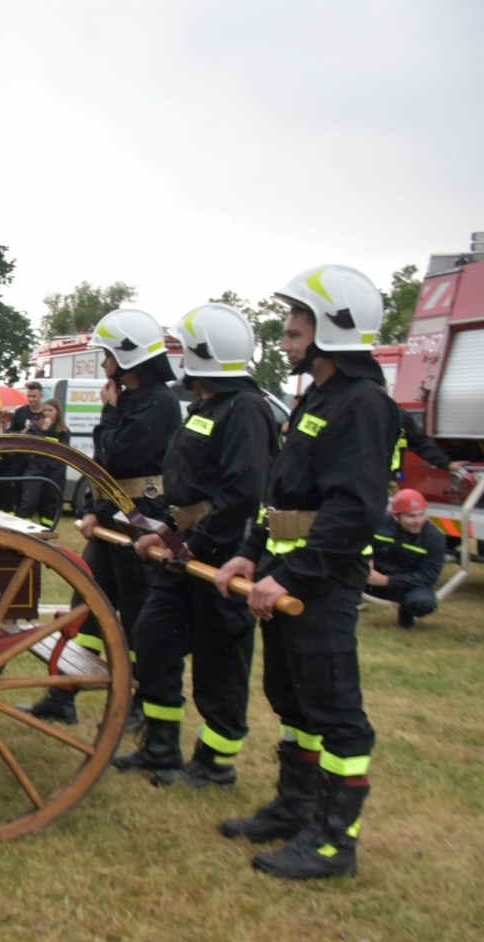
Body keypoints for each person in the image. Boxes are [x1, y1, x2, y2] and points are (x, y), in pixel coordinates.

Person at [212, 264, 401, 880]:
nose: (286, 341)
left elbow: (354, 510)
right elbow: (279, 493)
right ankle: (296, 808)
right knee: (292, 699)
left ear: (333, 331)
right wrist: (250, 551)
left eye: (296, 333)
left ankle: (333, 842)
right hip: (282, 570)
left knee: (335, 709)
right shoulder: (316, 398)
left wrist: (293, 577)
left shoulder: (363, 404)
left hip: (321, 582)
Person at [114, 303, 274, 786]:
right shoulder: (205, 407)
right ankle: (160, 746)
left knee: (219, 660)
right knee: (153, 639)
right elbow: (186, 489)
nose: (180, 359)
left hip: (222, 553)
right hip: (189, 551)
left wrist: (194, 544)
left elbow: (242, 493)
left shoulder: (245, 409)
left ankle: (214, 763)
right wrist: (164, 531)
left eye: (186, 349)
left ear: (206, 354)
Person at [23, 308, 181, 724]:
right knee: (86, 608)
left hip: (141, 522)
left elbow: (117, 455)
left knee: (136, 616)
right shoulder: (129, 399)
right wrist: (95, 511)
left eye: (109, 354)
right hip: (113, 520)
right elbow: (104, 467)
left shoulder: (160, 403)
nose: (105, 362)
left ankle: (139, 703)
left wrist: (109, 413)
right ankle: (63, 696)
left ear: (129, 357)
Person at [366, 488, 445, 628]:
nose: (418, 521)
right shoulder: (377, 522)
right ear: (396, 517)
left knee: (423, 603)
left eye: (421, 515)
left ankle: (406, 610)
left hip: (405, 585)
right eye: (411, 516)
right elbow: (356, 542)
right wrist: (366, 561)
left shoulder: (434, 537)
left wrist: (386, 580)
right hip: (369, 577)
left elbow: (428, 576)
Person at [15, 399, 70, 529]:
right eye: (45, 410)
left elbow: (63, 451)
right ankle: (20, 530)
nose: (47, 413)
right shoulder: (35, 428)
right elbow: (33, 445)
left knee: (49, 505)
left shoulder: (63, 431)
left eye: (50, 410)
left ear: (57, 412)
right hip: (36, 469)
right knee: (29, 501)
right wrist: (43, 429)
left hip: (54, 472)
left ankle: (46, 533)